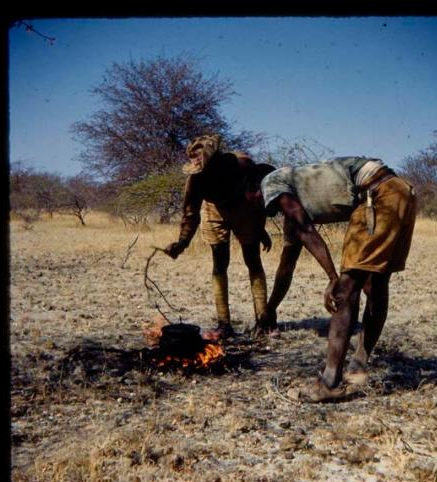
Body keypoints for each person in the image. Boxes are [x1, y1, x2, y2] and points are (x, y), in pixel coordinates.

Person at [247, 157, 416, 401]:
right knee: (376, 282)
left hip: (378, 196)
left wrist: (333, 278)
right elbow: (287, 266)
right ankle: (358, 367)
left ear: (253, 189)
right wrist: (270, 310)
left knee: (346, 290)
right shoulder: (292, 201)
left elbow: (306, 231)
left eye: (250, 202)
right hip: (400, 191)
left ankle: (330, 382)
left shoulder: (270, 182)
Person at [163, 134, 275, 339]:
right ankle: (224, 324)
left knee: (253, 259)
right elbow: (190, 214)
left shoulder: (242, 164)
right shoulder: (196, 180)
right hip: (214, 211)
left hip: (244, 208)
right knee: (220, 263)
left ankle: (263, 320)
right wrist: (182, 243)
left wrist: (259, 229)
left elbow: (257, 198)